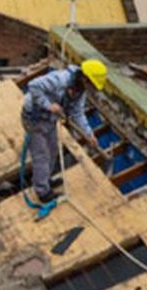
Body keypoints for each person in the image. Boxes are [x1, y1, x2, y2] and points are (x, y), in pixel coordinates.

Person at [20, 60, 108, 208]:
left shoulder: (80, 91)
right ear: (84, 78)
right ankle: (42, 191)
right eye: (91, 84)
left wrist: (89, 134)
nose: (92, 89)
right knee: (41, 155)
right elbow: (33, 85)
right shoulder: (60, 79)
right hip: (34, 118)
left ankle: (46, 179)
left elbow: (77, 112)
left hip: (49, 120)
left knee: (53, 150)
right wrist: (48, 105)